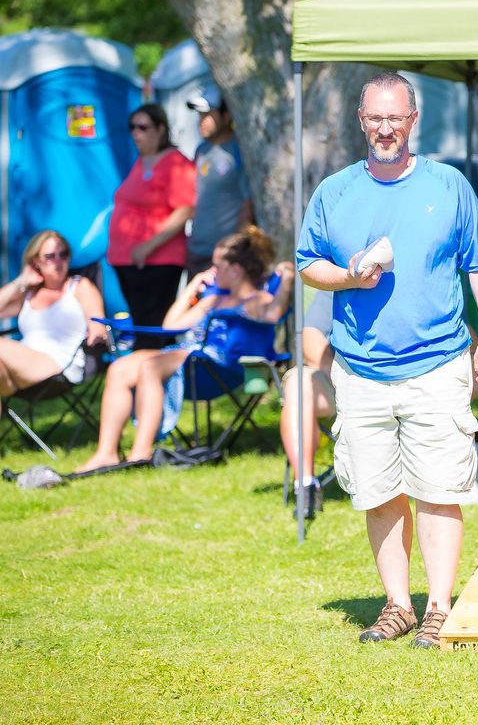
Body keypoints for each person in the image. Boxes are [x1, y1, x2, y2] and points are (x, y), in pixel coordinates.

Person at [296, 72, 478, 649]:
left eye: (396, 118)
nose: (385, 128)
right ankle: (397, 605)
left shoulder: (449, 185)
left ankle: (438, 607)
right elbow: (307, 262)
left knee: (439, 489)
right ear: (360, 121)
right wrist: (347, 276)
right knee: (379, 491)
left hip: (438, 362)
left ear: (414, 121)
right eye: (375, 118)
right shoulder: (334, 191)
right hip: (360, 368)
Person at [79, 226, 292, 472]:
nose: (211, 271)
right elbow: (171, 325)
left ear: (235, 270)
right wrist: (192, 287)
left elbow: (274, 314)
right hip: (193, 357)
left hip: (221, 365)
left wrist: (286, 281)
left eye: (217, 266)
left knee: (151, 365)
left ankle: (141, 452)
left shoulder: (257, 300)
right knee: (119, 367)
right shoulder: (213, 299)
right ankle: (106, 452)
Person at [109, 103, 196, 350]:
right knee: (142, 329)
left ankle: (152, 383)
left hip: (156, 262)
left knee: (153, 332)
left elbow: (185, 210)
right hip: (129, 262)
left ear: (160, 129)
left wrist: (147, 246)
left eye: (143, 127)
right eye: (132, 127)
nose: (136, 133)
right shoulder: (141, 162)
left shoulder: (175, 163)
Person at [0, 231, 106, 396]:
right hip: (23, 368)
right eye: (50, 256)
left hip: (59, 367)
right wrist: (21, 281)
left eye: (63, 255)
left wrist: (97, 330)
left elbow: (98, 322)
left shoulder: (79, 286)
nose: (58, 262)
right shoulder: (28, 295)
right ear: (35, 261)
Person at [185, 85, 254, 279]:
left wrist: (233, 248)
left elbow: (248, 204)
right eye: (199, 115)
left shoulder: (239, 151)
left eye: (208, 115)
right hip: (195, 250)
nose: (201, 121)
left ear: (227, 116)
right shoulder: (201, 150)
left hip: (224, 258)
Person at [280, 288, 335, 520]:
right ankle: (305, 485)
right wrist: (345, 379)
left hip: (405, 378)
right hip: (340, 381)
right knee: (299, 382)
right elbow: (310, 336)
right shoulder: (340, 275)